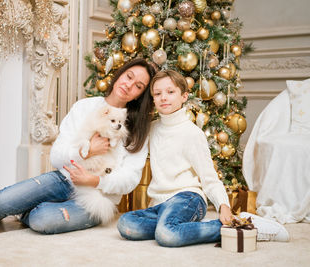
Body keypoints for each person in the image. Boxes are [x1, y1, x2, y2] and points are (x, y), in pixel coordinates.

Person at [0, 58, 156, 234]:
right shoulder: (84, 107)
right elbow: (56, 156)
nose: (130, 85)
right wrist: (87, 152)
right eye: (129, 77)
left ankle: (26, 210)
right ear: (120, 74)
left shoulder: (137, 129)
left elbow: (130, 179)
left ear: (140, 94)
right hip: (63, 180)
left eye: (139, 86)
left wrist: (95, 181)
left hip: (97, 198)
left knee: (43, 220)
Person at [117, 70, 290, 247]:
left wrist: (223, 205)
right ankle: (178, 226)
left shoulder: (192, 134)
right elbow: (128, 142)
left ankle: (243, 224)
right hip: (160, 205)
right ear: (152, 99)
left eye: (170, 92)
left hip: (188, 198)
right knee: (126, 224)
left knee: (167, 235)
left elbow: (209, 178)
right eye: (157, 93)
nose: (163, 98)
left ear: (184, 96)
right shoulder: (152, 129)